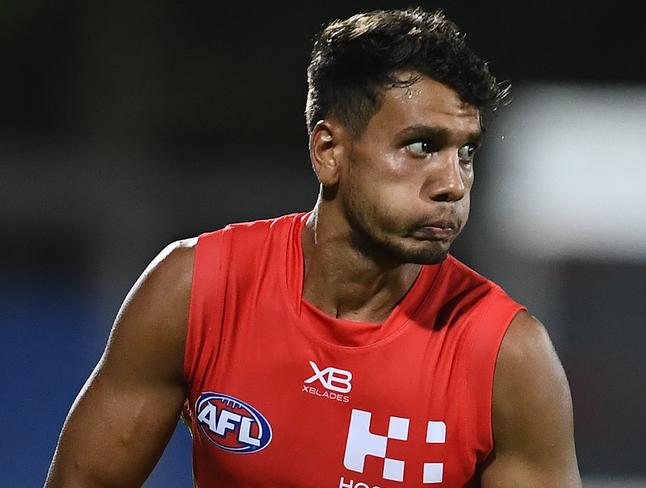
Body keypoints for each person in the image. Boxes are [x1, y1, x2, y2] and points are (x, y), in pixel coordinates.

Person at [44, 7, 581, 487]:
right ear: (328, 151)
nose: (454, 183)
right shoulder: (198, 289)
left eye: (466, 152)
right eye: (422, 146)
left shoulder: (507, 359)